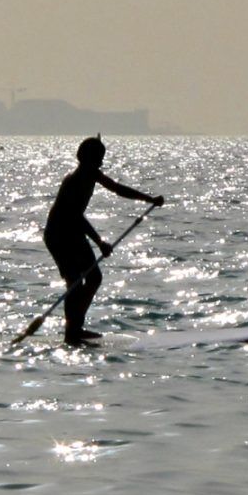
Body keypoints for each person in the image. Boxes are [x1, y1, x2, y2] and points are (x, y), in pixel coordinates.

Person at [43, 136, 164, 345]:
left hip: (74, 233)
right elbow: (75, 217)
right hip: (59, 235)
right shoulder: (75, 180)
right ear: (87, 158)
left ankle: (76, 327)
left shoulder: (92, 174)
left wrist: (149, 199)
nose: (101, 163)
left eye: (102, 158)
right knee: (75, 283)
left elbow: (118, 189)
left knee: (94, 278)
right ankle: (71, 333)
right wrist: (99, 242)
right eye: (99, 158)